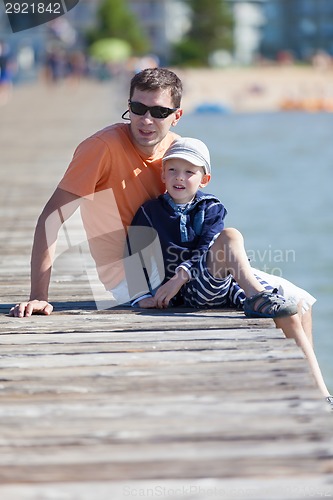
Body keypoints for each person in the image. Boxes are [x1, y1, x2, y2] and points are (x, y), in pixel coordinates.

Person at [7, 67, 331, 404]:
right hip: (130, 276)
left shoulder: (179, 153)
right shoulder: (100, 148)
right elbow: (51, 217)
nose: (146, 120)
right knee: (275, 298)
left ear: (176, 116)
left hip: (178, 262)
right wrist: (39, 295)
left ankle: (315, 400)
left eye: (159, 112)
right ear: (128, 105)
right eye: (138, 108)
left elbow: (199, 222)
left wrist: (201, 266)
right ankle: (313, 400)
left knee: (299, 302)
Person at [127, 137, 332, 403]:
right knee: (232, 236)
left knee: (292, 308)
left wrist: (181, 275)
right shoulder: (150, 211)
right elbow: (133, 254)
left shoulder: (211, 208)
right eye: (173, 170)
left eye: (190, 172)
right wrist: (141, 295)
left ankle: (320, 395)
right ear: (163, 174)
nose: (180, 177)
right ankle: (257, 296)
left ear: (204, 179)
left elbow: (206, 248)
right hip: (186, 294)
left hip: (217, 284)